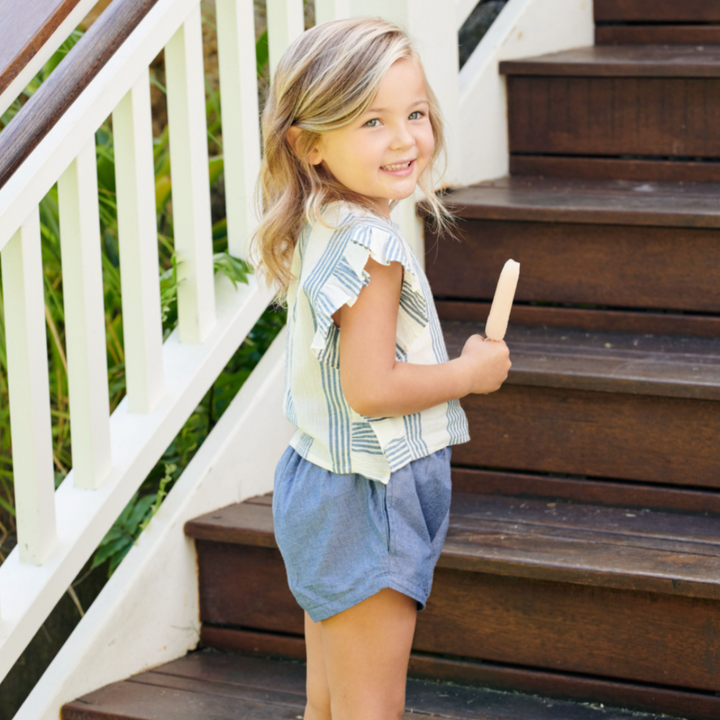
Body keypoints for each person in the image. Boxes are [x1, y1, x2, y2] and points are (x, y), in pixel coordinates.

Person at [248, 15, 512, 720]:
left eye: (415, 114)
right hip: (369, 495)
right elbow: (371, 389)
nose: (404, 139)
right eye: (371, 121)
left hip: (319, 481)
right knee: (370, 710)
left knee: (328, 705)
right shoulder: (374, 251)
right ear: (309, 145)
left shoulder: (323, 221)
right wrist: (470, 373)